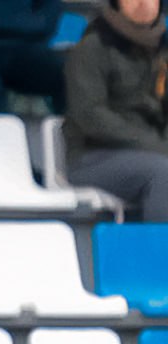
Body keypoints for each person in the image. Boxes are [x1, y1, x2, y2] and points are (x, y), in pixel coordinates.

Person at [63, 0, 168, 219]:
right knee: (163, 172)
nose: (143, 3)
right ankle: (159, 242)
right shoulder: (92, 48)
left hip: (153, 152)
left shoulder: (162, 50)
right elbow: (91, 116)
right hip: (93, 157)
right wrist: (155, 144)